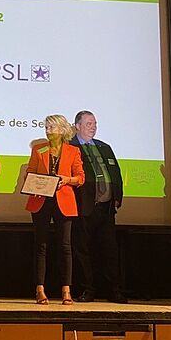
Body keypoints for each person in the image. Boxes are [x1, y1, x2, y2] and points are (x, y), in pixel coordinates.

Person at [25, 114, 85, 305]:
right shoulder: (39, 149)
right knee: (41, 245)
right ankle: (40, 290)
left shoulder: (73, 151)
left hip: (64, 201)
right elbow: (30, 172)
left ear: (62, 129)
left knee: (65, 246)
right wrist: (35, 184)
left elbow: (80, 177)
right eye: (46, 127)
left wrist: (67, 180)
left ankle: (66, 290)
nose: (48, 130)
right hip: (41, 199)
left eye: (51, 127)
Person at [69, 111, 127, 304]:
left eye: (94, 123)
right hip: (83, 206)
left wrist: (117, 197)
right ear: (77, 126)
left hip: (106, 208)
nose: (93, 127)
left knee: (110, 250)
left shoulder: (104, 147)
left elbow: (116, 173)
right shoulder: (70, 147)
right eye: (88, 123)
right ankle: (87, 290)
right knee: (82, 250)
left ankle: (115, 290)